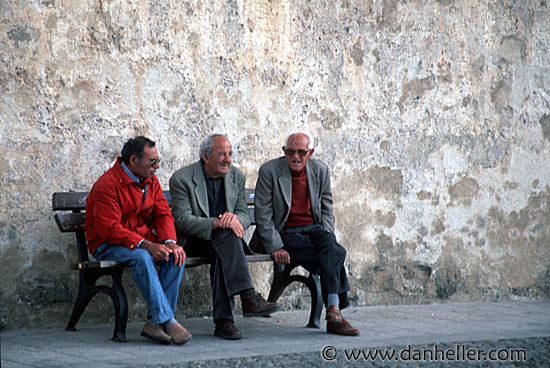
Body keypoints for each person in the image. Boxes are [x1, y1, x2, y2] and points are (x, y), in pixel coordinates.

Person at [169, 134, 281, 340]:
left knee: (224, 240)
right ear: (205, 155)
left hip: (227, 241)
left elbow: (244, 214)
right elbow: (182, 220)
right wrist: (216, 222)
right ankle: (247, 299)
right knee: (224, 235)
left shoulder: (236, 177)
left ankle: (225, 322)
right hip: (194, 241)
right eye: (221, 154)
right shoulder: (182, 178)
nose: (227, 159)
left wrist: (233, 220)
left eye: (230, 154)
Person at [250, 132, 360, 336]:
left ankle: (333, 310)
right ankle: (335, 313)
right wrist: (275, 246)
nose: (296, 156)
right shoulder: (270, 171)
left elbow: (327, 208)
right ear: (284, 151)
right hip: (283, 231)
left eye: (302, 152)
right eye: (291, 151)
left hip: (313, 229)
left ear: (311, 153)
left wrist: (328, 238)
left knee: (332, 248)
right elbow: (263, 215)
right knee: (333, 256)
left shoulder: (320, 170)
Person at [85, 136, 191, 345]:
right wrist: (146, 245)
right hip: (107, 245)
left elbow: (162, 214)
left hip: (139, 242)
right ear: (133, 160)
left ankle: (154, 323)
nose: (157, 167)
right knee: (143, 257)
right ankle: (168, 321)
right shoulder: (107, 185)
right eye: (152, 162)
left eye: (157, 161)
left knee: (175, 255)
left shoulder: (150, 181)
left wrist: (169, 241)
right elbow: (110, 229)